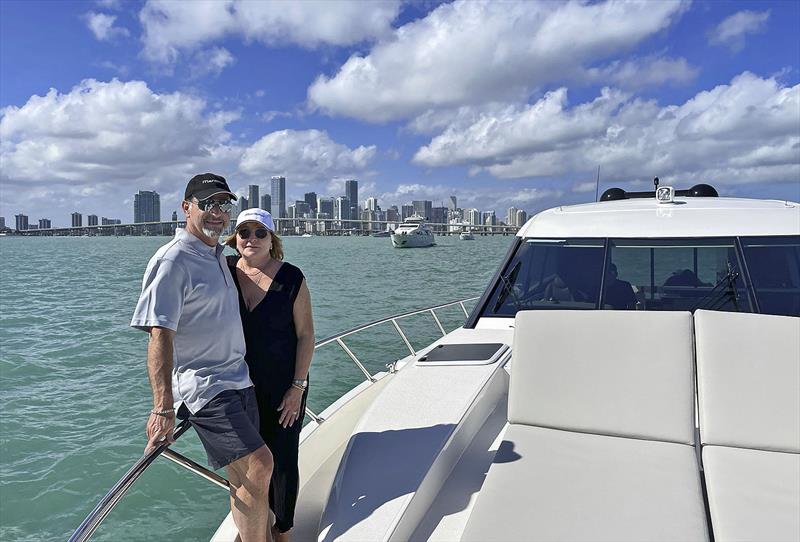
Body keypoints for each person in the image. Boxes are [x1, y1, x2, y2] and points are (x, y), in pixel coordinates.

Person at [131, 174, 274, 542]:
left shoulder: (216, 257)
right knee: (260, 465)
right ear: (186, 208)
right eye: (207, 204)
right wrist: (162, 407)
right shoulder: (172, 260)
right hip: (205, 386)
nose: (216, 212)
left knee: (243, 478)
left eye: (223, 205)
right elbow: (159, 335)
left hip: (239, 378)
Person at [224, 208, 315, 542]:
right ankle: (254, 524)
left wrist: (297, 387)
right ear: (235, 238)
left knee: (283, 460)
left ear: (272, 239)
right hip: (235, 386)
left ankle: (283, 530)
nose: (252, 239)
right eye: (245, 232)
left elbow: (306, 335)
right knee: (246, 464)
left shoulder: (291, 278)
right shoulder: (225, 271)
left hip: (284, 387)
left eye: (260, 232)